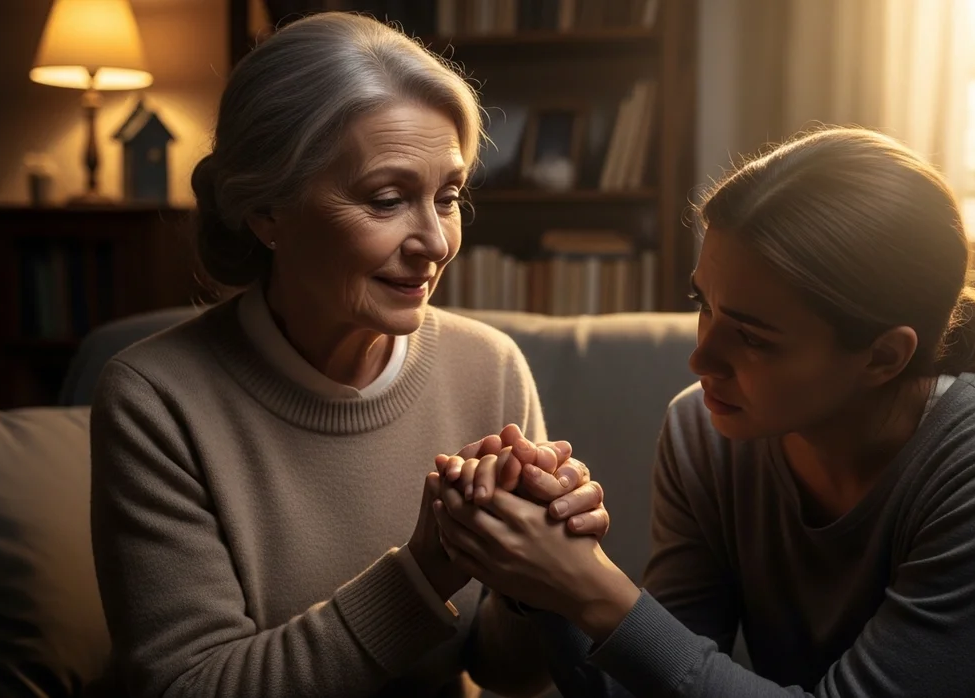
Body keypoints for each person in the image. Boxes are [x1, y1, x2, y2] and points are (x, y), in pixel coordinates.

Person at [432, 128, 975, 697]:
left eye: (755, 337)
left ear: (884, 357)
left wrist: (596, 591)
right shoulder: (706, 431)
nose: (703, 360)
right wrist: (543, 563)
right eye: (704, 305)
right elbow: (654, 685)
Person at [88, 12, 609, 698]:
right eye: (389, 200)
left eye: (447, 198)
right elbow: (190, 686)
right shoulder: (153, 397)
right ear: (268, 210)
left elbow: (502, 673)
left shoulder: (490, 366)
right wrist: (425, 571)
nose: (435, 241)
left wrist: (540, 582)